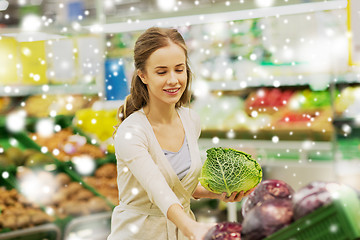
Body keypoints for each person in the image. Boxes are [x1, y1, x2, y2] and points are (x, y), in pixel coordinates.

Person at [107, 27, 252, 240]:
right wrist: (190, 226)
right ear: (143, 75)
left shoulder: (191, 120)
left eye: (179, 69)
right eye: (162, 72)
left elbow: (183, 186)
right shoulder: (131, 132)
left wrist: (219, 192)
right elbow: (157, 188)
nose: (173, 80)